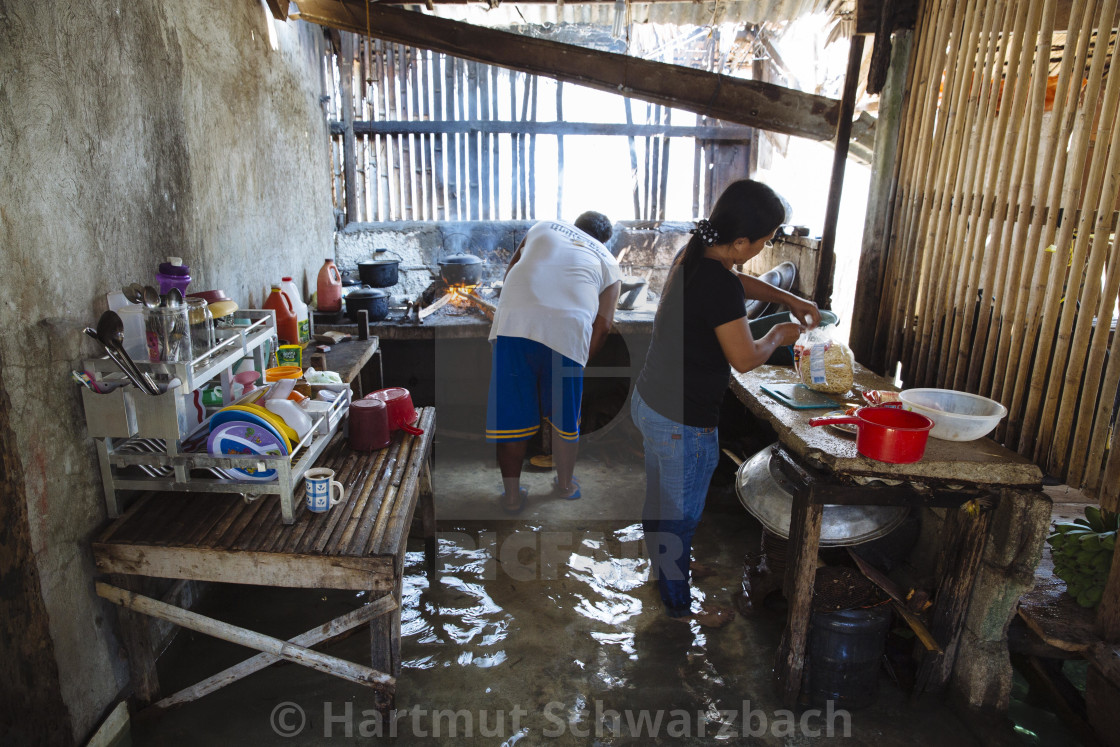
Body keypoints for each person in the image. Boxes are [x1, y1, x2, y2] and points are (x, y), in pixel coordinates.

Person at [631, 179, 821, 628]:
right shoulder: (719, 284)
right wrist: (778, 334)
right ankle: (679, 609)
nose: (764, 246)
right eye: (763, 240)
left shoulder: (696, 251)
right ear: (739, 242)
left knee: (661, 502)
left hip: (651, 402)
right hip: (683, 421)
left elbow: (737, 282)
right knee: (681, 516)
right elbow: (744, 358)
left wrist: (789, 297)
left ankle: (666, 569)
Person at [485, 212, 622, 514]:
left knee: (512, 416)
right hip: (567, 332)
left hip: (515, 323)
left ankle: (510, 497)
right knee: (565, 417)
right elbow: (605, 325)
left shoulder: (544, 226)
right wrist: (579, 358)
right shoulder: (610, 263)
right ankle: (564, 486)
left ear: (574, 226)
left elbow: (510, 274)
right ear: (603, 241)